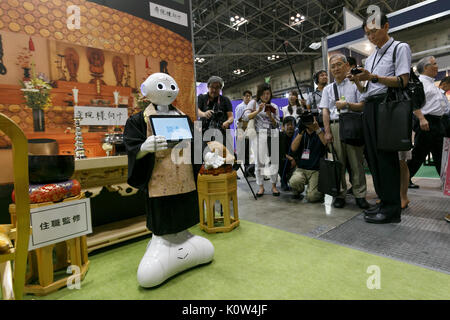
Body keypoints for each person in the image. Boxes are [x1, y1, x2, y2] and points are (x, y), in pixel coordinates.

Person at [123, 73, 214, 288]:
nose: (168, 90)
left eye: (171, 86)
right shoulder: (138, 120)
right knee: (162, 210)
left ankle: (183, 234)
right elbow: (131, 146)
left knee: (184, 204)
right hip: (159, 179)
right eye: (162, 86)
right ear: (147, 90)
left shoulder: (183, 118)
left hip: (184, 177)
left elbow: (197, 144)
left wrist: (207, 155)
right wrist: (143, 148)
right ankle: (162, 239)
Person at [349, 12, 412, 223]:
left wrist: (374, 77)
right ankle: (384, 202)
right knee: (373, 159)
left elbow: (403, 81)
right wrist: (358, 80)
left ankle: (393, 210)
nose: (371, 37)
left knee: (387, 159)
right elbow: (367, 89)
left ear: (386, 26)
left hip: (387, 108)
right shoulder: (372, 56)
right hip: (370, 108)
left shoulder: (399, 48)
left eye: (374, 31)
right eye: (367, 34)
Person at [319, 54, 370, 209]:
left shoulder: (355, 84)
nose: (336, 68)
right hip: (335, 126)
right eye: (333, 66)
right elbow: (325, 112)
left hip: (353, 124)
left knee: (356, 162)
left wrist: (347, 105)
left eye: (339, 64)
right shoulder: (328, 89)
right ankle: (340, 194)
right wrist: (327, 132)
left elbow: (363, 105)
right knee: (338, 162)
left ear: (347, 66)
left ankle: (360, 194)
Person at [407, 57, 448, 189]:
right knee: (418, 154)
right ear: (425, 68)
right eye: (434, 64)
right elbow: (413, 103)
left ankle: (446, 181)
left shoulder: (431, 83)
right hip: (426, 121)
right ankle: (404, 180)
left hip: (437, 122)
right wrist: (421, 119)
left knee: (441, 154)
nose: (437, 66)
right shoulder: (420, 83)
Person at [243, 83, 280, 197]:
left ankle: (274, 186)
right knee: (259, 162)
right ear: (259, 94)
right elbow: (245, 117)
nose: (266, 96)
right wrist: (258, 111)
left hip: (272, 134)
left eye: (268, 93)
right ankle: (260, 187)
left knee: (274, 161)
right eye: (263, 94)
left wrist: (270, 116)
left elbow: (277, 123)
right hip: (259, 135)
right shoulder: (253, 103)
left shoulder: (274, 106)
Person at [289, 119, 327, 202]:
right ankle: (298, 190)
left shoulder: (321, 131)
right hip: (301, 168)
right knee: (294, 182)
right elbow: (293, 148)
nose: (310, 123)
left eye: (311, 120)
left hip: (316, 170)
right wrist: (301, 132)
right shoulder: (300, 132)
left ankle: (317, 191)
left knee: (312, 197)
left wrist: (317, 129)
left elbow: (326, 144)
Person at [197, 76, 234, 152]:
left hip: (222, 133)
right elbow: (197, 111)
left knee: (226, 157)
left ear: (220, 89)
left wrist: (228, 122)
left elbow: (231, 117)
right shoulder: (201, 98)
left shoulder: (225, 100)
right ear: (208, 87)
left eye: (217, 88)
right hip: (205, 133)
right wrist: (204, 114)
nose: (214, 90)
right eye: (212, 87)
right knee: (205, 156)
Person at [235, 90, 254, 177]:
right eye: (246, 96)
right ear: (243, 97)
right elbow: (237, 120)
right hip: (241, 132)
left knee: (247, 154)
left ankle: (247, 171)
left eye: (249, 96)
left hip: (248, 133)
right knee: (240, 154)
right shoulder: (240, 107)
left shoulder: (252, 107)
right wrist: (239, 133)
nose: (248, 97)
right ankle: (234, 171)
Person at [279, 116, 296, 191]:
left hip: (295, 158)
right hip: (284, 158)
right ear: (283, 126)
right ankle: (283, 180)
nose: (290, 127)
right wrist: (291, 158)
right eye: (287, 125)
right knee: (281, 159)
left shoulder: (297, 136)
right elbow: (279, 151)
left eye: (292, 124)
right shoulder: (280, 135)